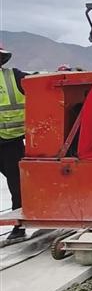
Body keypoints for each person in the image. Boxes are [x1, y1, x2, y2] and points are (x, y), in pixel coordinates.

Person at [0, 47, 30, 245]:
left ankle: (19, 228)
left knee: (17, 184)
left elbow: (42, 86)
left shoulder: (15, 77)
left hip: (10, 141)